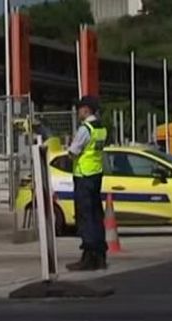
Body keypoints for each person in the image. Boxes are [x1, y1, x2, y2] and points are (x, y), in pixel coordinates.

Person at [66, 96, 108, 271]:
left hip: (83, 175)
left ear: (86, 110)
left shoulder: (86, 129)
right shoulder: (101, 129)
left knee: (85, 217)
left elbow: (73, 152)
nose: (77, 112)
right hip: (96, 174)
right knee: (97, 216)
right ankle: (99, 255)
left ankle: (88, 256)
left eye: (79, 108)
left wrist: (68, 153)